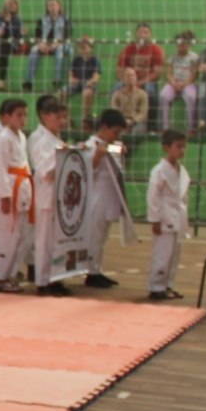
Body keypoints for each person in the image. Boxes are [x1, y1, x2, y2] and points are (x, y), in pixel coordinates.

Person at [0, 99, 32, 294]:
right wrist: (4, 195)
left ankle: (9, 274)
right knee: (7, 235)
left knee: (19, 236)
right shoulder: (3, 137)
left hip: (21, 187)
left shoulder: (20, 136)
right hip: (9, 189)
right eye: (18, 115)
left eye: (25, 115)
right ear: (8, 117)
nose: (23, 119)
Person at [81, 108, 133, 289]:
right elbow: (85, 172)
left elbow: (119, 156)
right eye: (115, 132)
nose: (116, 136)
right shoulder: (91, 144)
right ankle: (91, 272)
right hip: (97, 197)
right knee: (94, 236)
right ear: (104, 127)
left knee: (102, 237)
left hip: (109, 196)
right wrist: (97, 156)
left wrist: (121, 149)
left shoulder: (111, 145)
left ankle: (96, 269)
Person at [28, 95, 73, 296]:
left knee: (58, 241)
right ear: (45, 116)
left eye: (65, 117)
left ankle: (56, 278)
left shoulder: (55, 139)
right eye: (59, 117)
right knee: (44, 240)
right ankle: (42, 281)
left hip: (60, 197)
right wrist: (63, 155)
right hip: (46, 195)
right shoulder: (38, 138)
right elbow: (44, 170)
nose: (63, 121)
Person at [146, 129, 190, 301]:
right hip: (164, 216)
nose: (182, 150)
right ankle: (156, 287)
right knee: (163, 253)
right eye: (178, 146)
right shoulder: (158, 170)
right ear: (166, 147)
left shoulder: (182, 170)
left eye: (184, 147)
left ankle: (168, 285)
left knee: (174, 254)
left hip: (177, 216)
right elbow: (153, 196)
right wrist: (154, 219)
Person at [23, 0, 71, 93]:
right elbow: (37, 36)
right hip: (44, 44)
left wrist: (56, 44)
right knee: (33, 50)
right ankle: (28, 81)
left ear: (59, 6)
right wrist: (41, 45)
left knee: (60, 51)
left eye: (54, 5)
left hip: (60, 44)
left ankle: (57, 80)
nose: (52, 7)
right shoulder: (42, 19)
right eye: (49, 5)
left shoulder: (65, 19)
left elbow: (67, 36)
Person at [157, 31, 199, 133]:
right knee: (163, 96)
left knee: (191, 97)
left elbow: (194, 74)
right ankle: (165, 128)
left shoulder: (194, 57)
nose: (181, 46)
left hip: (188, 83)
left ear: (189, 45)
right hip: (174, 83)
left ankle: (191, 128)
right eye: (179, 44)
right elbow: (168, 73)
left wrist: (184, 84)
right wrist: (173, 83)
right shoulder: (172, 58)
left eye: (184, 44)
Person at [66, 36, 102, 126]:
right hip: (78, 84)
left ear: (90, 48)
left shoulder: (95, 60)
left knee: (87, 93)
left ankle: (85, 119)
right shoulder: (76, 60)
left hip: (88, 85)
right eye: (81, 47)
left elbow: (95, 79)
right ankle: (67, 118)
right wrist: (78, 81)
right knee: (62, 93)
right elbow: (70, 78)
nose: (83, 49)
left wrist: (84, 82)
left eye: (85, 47)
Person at [109, 68, 150, 138]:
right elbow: (114, 111)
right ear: (123, 79)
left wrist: (133, 121)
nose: (131, 78)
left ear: (136, 78)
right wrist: (123, 121)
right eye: (128, 76)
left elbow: (143, 113)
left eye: (133, 75)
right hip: (121, 121)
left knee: (136, 132)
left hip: (137, 122)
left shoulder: (143, 94)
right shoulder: (117, 95)